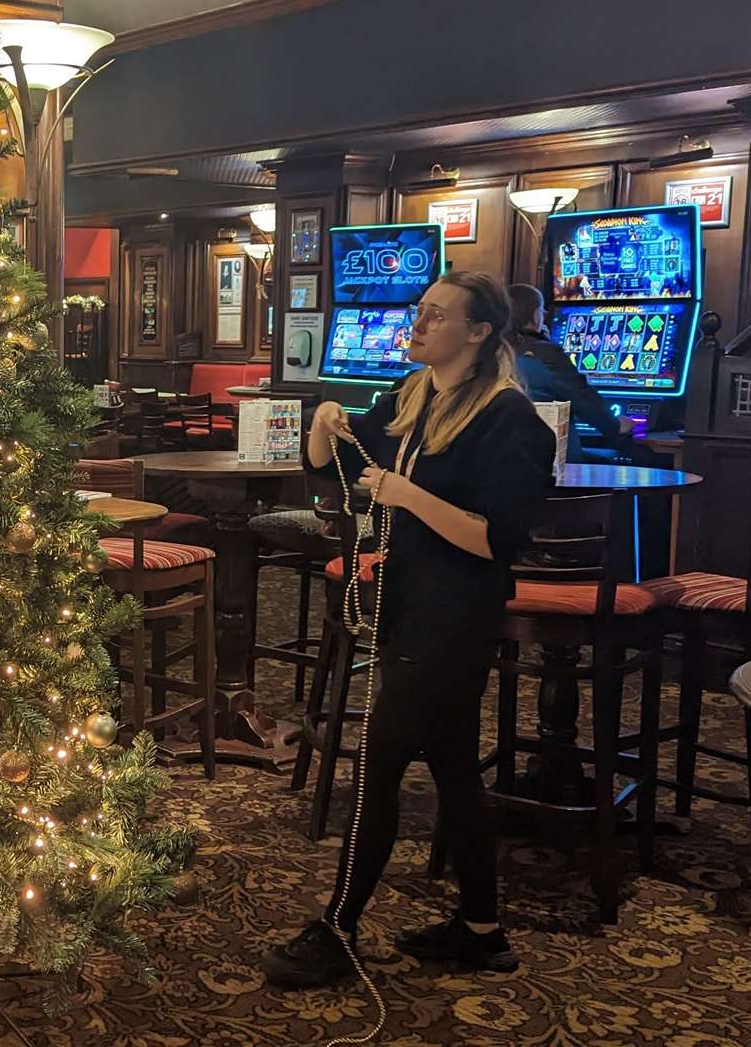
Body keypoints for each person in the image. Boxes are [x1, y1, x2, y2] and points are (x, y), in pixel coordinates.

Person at [262, 272, 555, 987]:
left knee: (376, 770)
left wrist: (408, 496)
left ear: (479, 332)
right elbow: (326, 464)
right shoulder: (410, 397)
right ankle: (482, 930)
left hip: (454, 614)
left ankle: (337, 927)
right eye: (418, 312)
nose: (417, 325)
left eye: (434, 315)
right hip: (407, 603)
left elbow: (497, 539)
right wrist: (322, 420)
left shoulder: (508, 419)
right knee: (455, 770)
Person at [505, 283, 634, 460]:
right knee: (635, 456)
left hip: (513, 456)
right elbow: (584, 399)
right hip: (550, 461)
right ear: (535, 316)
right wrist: (614, 425)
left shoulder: (497, 351)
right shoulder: (546, 353)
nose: (545, 315)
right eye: (542, 310)